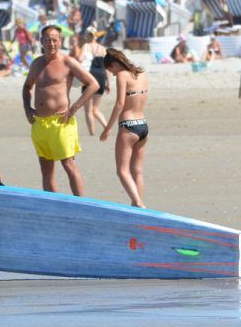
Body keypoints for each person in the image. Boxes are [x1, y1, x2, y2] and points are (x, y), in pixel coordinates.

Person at [22, 25, 99, 196]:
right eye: (47, 39)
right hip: (40, 124)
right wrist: (27, 108)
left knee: (68, 164)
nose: (51, 43)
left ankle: (81, 205)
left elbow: (93, 84)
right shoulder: (37, 63)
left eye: (55, 39)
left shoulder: (68, 62)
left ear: (60, 41)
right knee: (46, 169)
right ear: (41, 41)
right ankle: (53, 205)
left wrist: (74, 108)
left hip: (61, 122)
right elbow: (27, 87)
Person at [98, 48, 149, 208]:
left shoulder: (122, 75)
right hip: (143, 125)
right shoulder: (142, 74)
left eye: (111, 70)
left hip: (128, 127)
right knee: (137, 170)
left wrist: (107, 128)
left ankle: (139, 203)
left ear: (114, 64)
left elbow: (120, 104)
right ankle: (136, 204)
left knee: (122, 170)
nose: (112, 74)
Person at [79, 30, 109, 135]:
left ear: (87, 35)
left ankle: (92, 133)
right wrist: (108, 83)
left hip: (89, 78)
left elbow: (80, 59)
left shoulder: (85, 46)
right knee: (95, 108)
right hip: (101, 78)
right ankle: (106, 126)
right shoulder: (102, 49)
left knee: (88, 110)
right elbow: (107, 68)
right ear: (95, 36)